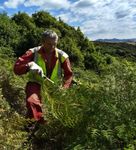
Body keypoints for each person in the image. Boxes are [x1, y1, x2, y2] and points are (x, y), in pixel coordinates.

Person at [14, 30, 73, 125]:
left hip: (54, 87)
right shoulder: (33, 52)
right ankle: (37, 126)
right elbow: (16, 69)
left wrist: (64, 88)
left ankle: (49, 128)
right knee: (32, 101)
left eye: (55, 44)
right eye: (49, 44)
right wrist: (29, 65)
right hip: (35, 82)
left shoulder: (63, 56)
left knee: (61, 109)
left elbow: (68, 75)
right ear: (42, 42)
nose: (52, 47)